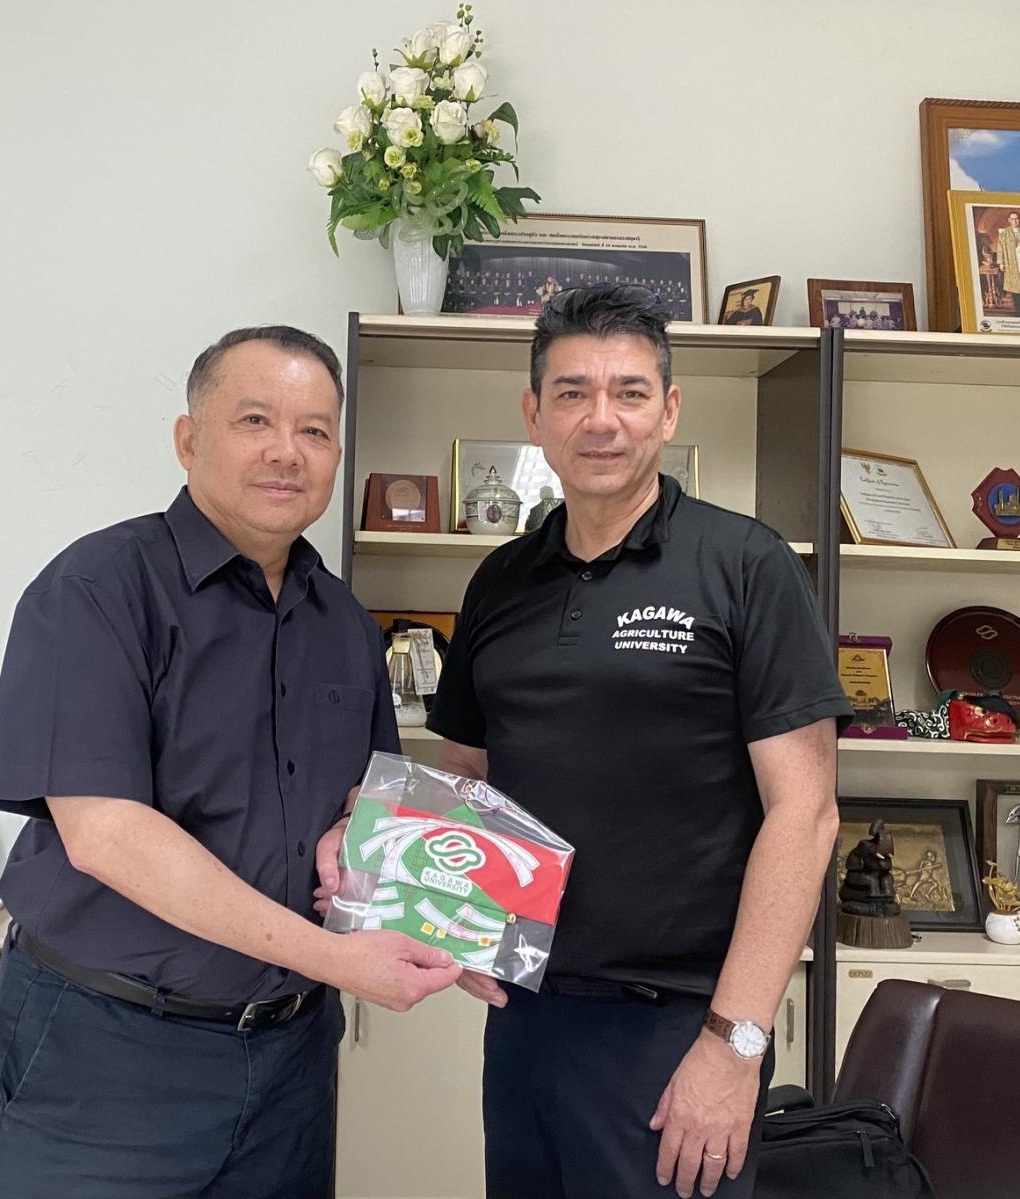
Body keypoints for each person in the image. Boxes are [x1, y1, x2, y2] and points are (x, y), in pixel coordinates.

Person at [0, 325, 462, 1196]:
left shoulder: (346, 623)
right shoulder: (97, 588)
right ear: (188, 439)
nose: (287, 452)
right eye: (255, 420)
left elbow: (364, 798)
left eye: (315, 430)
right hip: (111, 1054)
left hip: (291, 1063)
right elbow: (105, 834)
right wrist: (337, 959)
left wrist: (380, 859)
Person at [419, 284, 851, 1198]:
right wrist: (452, 917)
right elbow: (467, 771)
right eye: (572, 392)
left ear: (670, 410)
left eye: (629, 392)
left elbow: (806, 813)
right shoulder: (499, 580)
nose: (601, 419)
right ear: (535, 415)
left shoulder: (746, 564)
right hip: (526, 1020)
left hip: (680, 1031)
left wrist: (734, 1043)